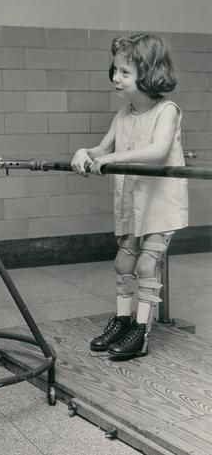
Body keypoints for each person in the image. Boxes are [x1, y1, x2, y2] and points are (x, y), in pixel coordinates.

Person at [70, 34, 188, 359]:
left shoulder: (167, 111)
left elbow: (158, 150)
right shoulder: (123, 114)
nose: (115, 78)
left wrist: (112, 159)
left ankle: (141, 330)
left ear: (148, 73)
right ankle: (122, 321)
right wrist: (84, 152)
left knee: (147, 266)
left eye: (124, 72)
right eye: (115, 70)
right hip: (132, 204)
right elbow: (100, 149)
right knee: (124, 261)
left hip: (161, 204)